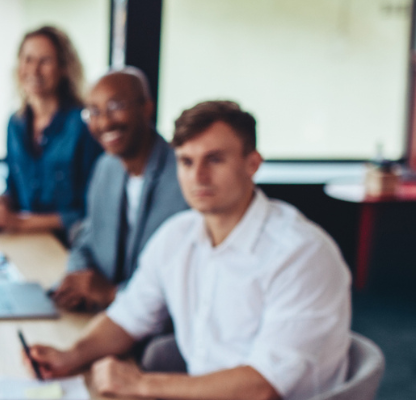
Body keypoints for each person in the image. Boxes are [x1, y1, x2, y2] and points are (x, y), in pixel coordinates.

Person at [25, 101, 352, 400]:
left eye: (215, 159)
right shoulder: (176, 236)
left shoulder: (302, 254)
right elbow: (127, 317)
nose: (198, 177)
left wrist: (141, 384)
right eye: (186, 161)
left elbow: (262, 387)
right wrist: (72, 355)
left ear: (252, 163)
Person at [51, 68, 188, 312]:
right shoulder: (106, 168)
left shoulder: (184, 177)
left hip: (154, 326)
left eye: (115, 106)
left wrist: (112, 294)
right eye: (94, 112)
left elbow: (182, 281)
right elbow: (86, 239)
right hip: (103, 315)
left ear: (146, 108)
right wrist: (78, 279)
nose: (104, 122)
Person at [0, 26, 103, 238]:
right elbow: (14, 191)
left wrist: (20, 223)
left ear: (63, 68)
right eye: (28, 59)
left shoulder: (83, 126)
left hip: (67, 244)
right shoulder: (15, 124)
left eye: (45, 61)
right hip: (27, 241)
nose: (33, 70)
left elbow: (89, 211)